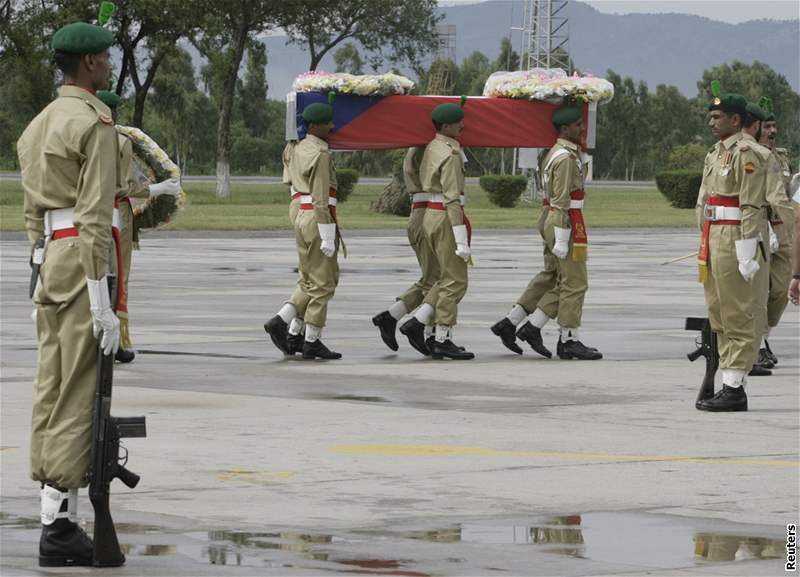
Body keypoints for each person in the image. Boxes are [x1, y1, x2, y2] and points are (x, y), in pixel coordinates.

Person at [18, 21, 119, 566]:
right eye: (103, 56)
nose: (108, 62)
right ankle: (59, 526)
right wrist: (101, 298)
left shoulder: (39, 123)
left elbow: (34, 212)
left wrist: (41, 260)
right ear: (86, 65)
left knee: (51, 384)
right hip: (82, 262)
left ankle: (52, 509)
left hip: (51, 260)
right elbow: (96, 216)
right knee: (79, 390)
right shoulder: (94, 121)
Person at [491, 100, 602, 360]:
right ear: (564, 129)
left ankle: (514, 322)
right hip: (563, 218)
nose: (582, 128)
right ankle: (568, 339)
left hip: (551, 216)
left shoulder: (554, 152)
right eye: (577, 125)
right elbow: (563, 198)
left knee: (552, 277)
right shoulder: (566, 158)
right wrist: (563, 237)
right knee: (574, 282)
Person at [694, 82, 769, 412]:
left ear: (736, 120)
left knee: (737, 313)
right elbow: (705, 199)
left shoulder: (746, 153)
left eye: (718, 116)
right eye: (710, 116)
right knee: (718, 313)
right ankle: (728, 380)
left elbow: (751, 204)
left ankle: (735, 388)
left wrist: (746, 250)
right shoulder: (716, 152)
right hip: (713, 237)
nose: (711, 122)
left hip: (734, 237)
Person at [95, 90, 180, 364]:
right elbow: (125, 186)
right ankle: (114, 341)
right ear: (113, 113)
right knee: (117, 277)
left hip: (85, 213)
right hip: (115, 215)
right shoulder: (118, 141)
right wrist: (159, 188)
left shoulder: (80, 138)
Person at [264, 99, 342, 359]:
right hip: (316, 217)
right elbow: (320, 197)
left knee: (308, 279)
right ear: (315, 126)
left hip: (300, 213)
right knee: (324, 283)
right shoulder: (320, 154)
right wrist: (328, 235)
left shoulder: (294, 148)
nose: (332, 126)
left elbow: (289, 181)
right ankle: (312, 339)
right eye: (328, 122)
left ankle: (290, 327)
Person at [400, 101, 474, 360]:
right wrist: (461, 240)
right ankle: (440, 336)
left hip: (430, 215)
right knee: (456, 281)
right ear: (446, 126)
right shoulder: (450, 154)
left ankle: (419, 322)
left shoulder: (431, 147)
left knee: (444, 277)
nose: (463, 127)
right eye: (458, 123)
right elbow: (452, 198)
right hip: (445, 217)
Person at [372, 147, 441, 353]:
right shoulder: (426, 150)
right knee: (441, 280)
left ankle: (392, 316)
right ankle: (430, 333)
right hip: (429, 214)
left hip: (422, 213)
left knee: (432, 278)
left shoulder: (418, 149)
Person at [757, 97, 796, 365]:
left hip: (782, 231)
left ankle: (763, 335)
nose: (772, 131)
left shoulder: (781, 157)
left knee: (781, 291)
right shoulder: (748, 155)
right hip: (758, 229)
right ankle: (757, 344)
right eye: (767, 126)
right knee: (756, 291)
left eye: (774, 126)